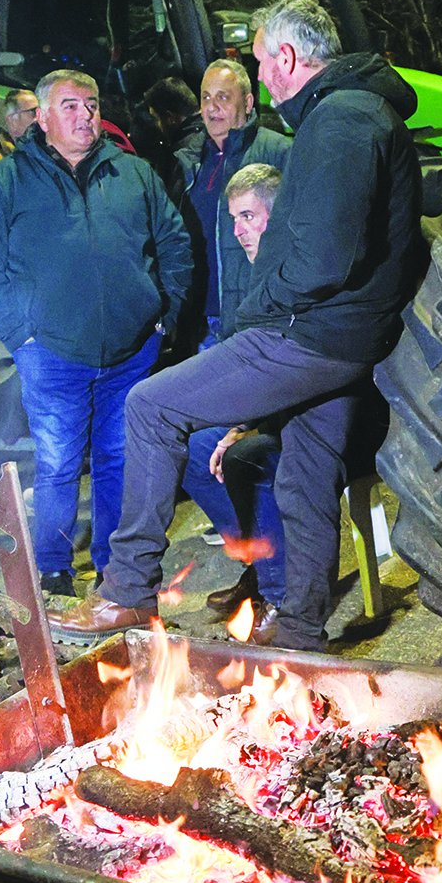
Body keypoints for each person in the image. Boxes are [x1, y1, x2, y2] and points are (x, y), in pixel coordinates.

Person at [84, 0, 424, 650]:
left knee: (151, 406)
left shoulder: (341, 119)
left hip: (312, 335)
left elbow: (323, 258)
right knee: (303, 477)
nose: (263, 78)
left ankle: (127, 589)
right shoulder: (356, 112)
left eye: (264, 62)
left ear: (291, 57)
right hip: (346, 340)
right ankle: (299, 628)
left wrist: (257, 312)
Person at [0, 70, 192, 601]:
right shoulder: (5, 181)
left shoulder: (133, 174)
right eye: (69, 106)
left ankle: (114, 565)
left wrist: (164, 316)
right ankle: (55, 567)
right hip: (52, 354)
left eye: (90, 104)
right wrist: (22, 334)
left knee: (119, 459)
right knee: (60, 462)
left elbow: (175, 245)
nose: (85, 115)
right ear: (41, 118)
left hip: (132, 351)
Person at [180, 164, 288, 626]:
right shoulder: (255, 273)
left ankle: (281, 599)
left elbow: (292, 372)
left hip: (318, 416)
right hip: (272, 411)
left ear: (277, 216)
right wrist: (233, 423)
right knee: (193, 450)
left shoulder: (291, 272)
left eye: (249, 217)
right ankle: (255, 565)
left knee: (245, 459)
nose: (239, 230)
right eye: (234, 219)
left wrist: (242, 428)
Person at [173, 58, 292, 347]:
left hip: (251, 323)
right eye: (205, 97)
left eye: (223, 97)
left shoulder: (280, 153)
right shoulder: (188, 159)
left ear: (249, 102)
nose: (211, 107)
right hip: (197, 322)